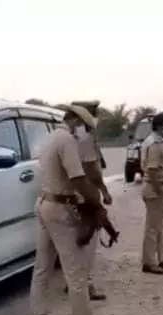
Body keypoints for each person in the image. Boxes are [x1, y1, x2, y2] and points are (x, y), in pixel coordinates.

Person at [27, 103, 124, 315]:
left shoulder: (51, 138)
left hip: (45, 203)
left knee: (42, 269)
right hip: (61, 208)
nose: (85, 132)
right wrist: (97, 205)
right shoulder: (67, 141)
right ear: (76, 121)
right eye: (85, 126)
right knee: (76, 273)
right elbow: (78, 179)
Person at [63, 100, 111, 301]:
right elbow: (92, 169)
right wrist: (104, 192)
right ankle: (85, 284)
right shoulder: (86, 137)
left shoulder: (72, 136)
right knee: (87, 242)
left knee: (74, 241)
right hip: (87, 194)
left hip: (72, 195)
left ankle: (72, 281)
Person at [141, 112, 163, 275]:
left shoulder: (159, 141)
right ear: (161, 126)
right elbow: (152, 169)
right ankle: (149, 262)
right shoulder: (154, 144)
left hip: (157, 186)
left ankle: (162, 257)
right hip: (154, 187)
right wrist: (158, 189)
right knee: (152, 228)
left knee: (157, 226)